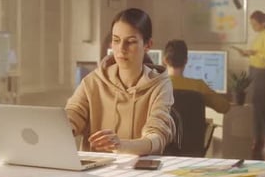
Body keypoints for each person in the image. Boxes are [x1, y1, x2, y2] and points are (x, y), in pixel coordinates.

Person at [65, 8, 175, 156]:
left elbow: (156, 137)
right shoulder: (93, 81)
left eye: (130, 42)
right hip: (94, 174)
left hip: (138, 173)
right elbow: (73, 114)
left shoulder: (160, 85)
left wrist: (121, 146)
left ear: (148, 45)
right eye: (116, 40)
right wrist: (62, 127)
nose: (121, 49)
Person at [234, 10, 265, 159]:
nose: (253, 27)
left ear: (263, 23)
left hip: (261, 73)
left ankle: (259, 139)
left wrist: (254, 53)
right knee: (262, 106)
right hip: (255, 71)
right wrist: (249, 53)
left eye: (254, 24)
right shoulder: (261, 36)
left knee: (258, 106)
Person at [163, 39, 231, 114]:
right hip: (192, 125)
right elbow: (225, 107)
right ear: (186, 60)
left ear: (165, 60)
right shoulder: (199, 86)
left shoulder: (155, 86)